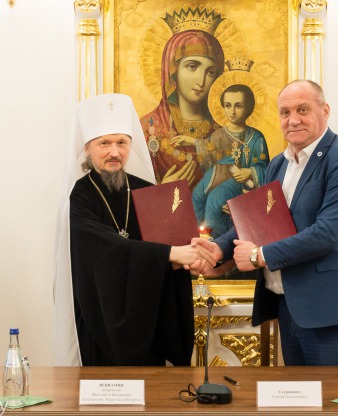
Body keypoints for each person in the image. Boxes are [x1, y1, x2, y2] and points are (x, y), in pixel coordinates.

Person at [193, 80, 338, 366]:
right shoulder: (279, 164)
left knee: (334, 394)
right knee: (299, 394)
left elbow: (327, 234)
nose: (293, 120)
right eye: (285, 112)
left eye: (303, 110)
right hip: (289, 306)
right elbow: (256, 221)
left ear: (325, 111)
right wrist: (218, 249)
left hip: (332, 309)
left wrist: (258, 255)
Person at [55, 93, 215, 366]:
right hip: (99, 317)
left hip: (146, 317)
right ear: (88, 148)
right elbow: (102, 247)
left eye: (122, 142)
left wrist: (187, 258)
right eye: (104, 143)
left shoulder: (147, 191)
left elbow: (173, 247)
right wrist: (170, 254)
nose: (115, 152)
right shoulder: (79, 196)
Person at [140, 28, 225, 188]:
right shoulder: (147, 129)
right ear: (172, 70)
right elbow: (131, 192)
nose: (201, 81)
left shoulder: (223, 134)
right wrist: (163, 190)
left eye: (210, 72)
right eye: (192, 66)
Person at [191, 83, 269, 238]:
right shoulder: (217, 135)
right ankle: (198, 233)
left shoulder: (256, 137)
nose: (232, 111)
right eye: (228, 105)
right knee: (197, 195)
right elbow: (208, 156)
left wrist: (250, 171)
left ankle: (216, 240)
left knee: (215, 199)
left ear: (248, 107)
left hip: (242, 182)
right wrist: (193, 142)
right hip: (217, 175)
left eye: (238, 106)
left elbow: (265, 167)